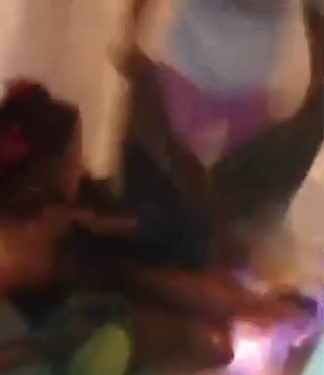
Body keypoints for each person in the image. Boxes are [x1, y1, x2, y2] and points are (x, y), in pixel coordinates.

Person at [115, 0, 323, 264]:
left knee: (226, 237)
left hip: (249, 106)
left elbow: (319, 24)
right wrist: (132, 38)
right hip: (182, 84)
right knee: (160, 226)